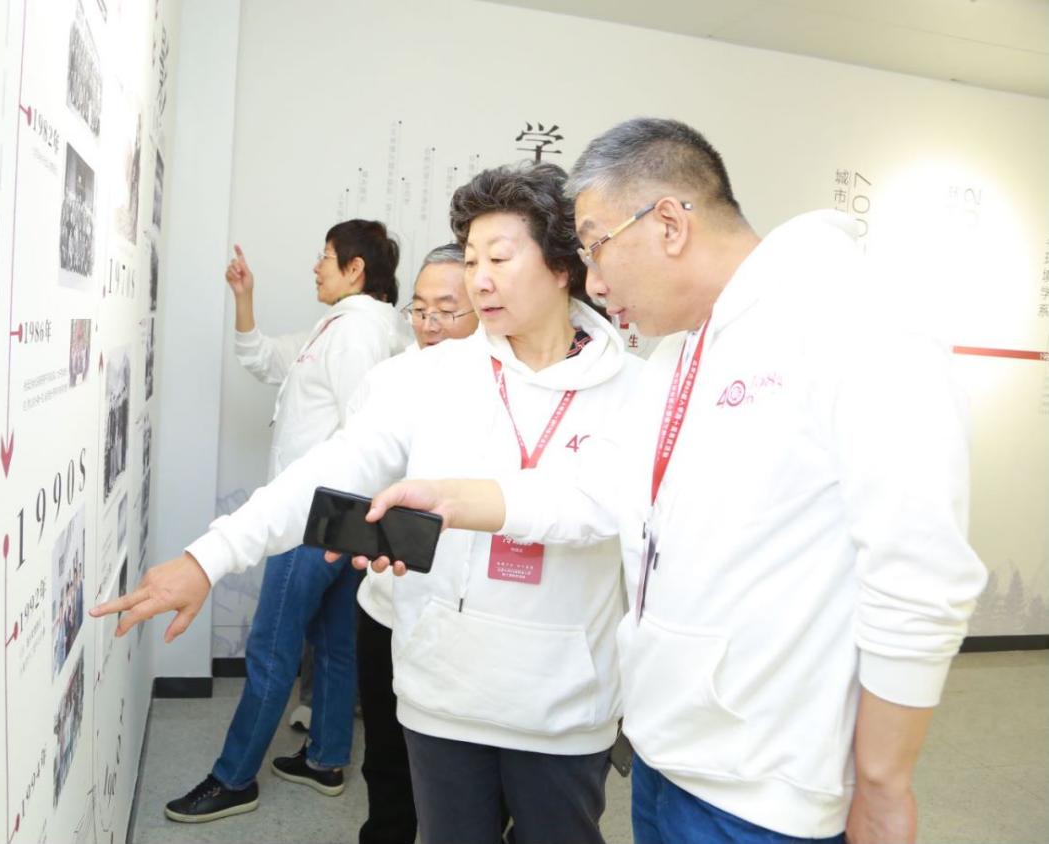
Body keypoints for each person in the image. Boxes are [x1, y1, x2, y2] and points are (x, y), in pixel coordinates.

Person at [354, 118, 989, 844]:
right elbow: (592, 492)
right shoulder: (681, 355)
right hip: (669, 755)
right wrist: (449, 499)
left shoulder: (853, 321)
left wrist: (882, 781)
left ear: (667, 224)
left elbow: (919, 575)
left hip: (764, 787)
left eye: (595, 246)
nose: (592, 282)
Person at [95, 162, 643, 844]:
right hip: (442, 695)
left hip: (565, 708)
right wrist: (210, 557)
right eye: (472, 258)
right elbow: (330, 467)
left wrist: (453, 500)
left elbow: (600, 507)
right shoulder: (425, 377)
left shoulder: (633, 390)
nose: (479, 279)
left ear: (562, 266)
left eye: (499, 258)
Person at [153, 220, 408, 824]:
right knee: (336, 642)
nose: (316, 266)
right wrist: (245, 298)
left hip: (316, 519)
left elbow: (362, 442)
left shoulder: (359, 334)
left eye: (326, 256)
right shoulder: (342, 325)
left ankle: (234, 778)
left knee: (272, 644)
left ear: (355, 269)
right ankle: (325, 759)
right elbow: (266, 358)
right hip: (336, 519)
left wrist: (333, 525)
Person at [354, 242, 479, 844]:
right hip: (387, 602)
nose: (429, 324)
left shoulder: (504, 392)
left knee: (469, 781)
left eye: (447, 311)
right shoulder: (386, 381)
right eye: (420, 309)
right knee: (387, 761)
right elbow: (355, 474)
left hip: (468, 617)